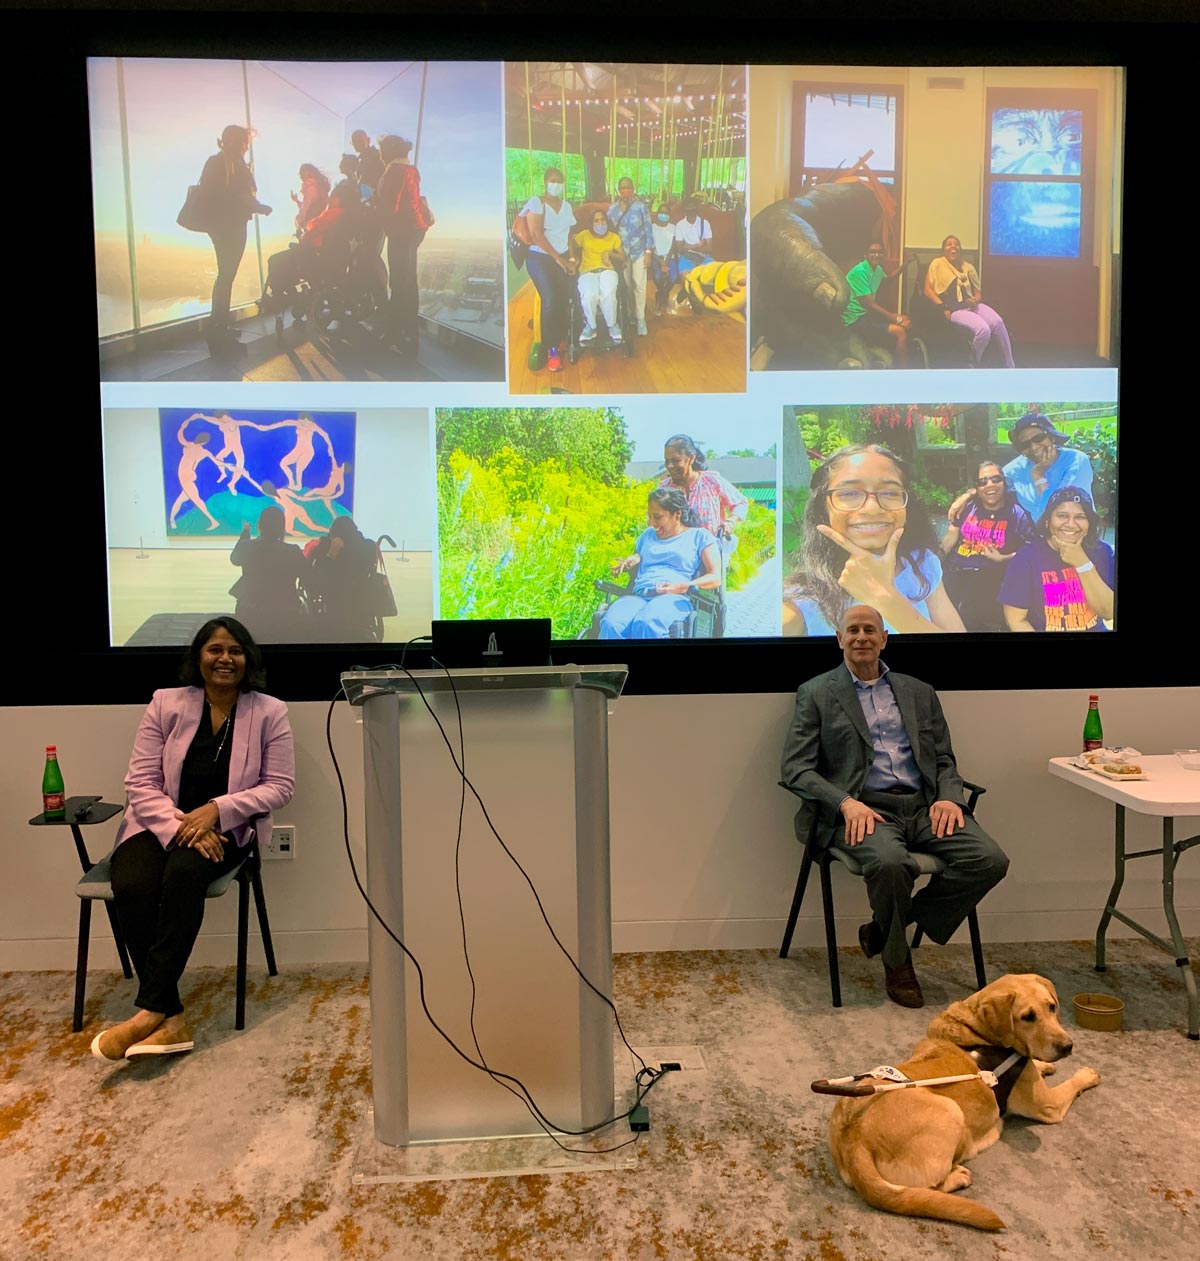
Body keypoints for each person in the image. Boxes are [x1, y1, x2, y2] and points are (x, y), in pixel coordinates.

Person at [780, 603, 1009, 1007]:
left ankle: (889, 927)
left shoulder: (918, 692)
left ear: (885, 638)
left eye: (870, 630)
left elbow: (943, 760)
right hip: (865, 811)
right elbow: (796, 769)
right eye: (852, 630)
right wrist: (845, 802)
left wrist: (949, 797)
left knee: (990, 860)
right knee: (890, 864)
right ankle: (897, 961)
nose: (861, 637)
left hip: (923, 807)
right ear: (839, 639)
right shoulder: (816, 693)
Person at [92, 618, 294, 1060]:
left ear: (248, 659)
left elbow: (279, 786)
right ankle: (170, 1016)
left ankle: (149, 1012)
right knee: (131, 884)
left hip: (226, 832)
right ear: (198, 656)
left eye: (235, 650)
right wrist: (180, 825)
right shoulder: (166, 704)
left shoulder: (269, 711)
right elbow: (140, 782)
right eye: (215, 649)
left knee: (184, 876)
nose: (225, 659)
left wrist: (218, 811)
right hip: (157, 822)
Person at [782, 444, 966, 636]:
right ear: (823, 507)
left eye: (889, 492)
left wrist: (885, 599)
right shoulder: (797, 604)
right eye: (849, 493)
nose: (872, 508)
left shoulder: (921, 563)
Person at [599, 488, 719, 639]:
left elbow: (715, 577)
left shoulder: (699, 536)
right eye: (649, 516)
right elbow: (640, 554)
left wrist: (683, 586)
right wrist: (633, 559)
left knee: (647, 623)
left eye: (657, 517)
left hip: (674, 598)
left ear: (677, 514)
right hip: (639, 595)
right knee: (611, 624)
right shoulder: (647, 535)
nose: (651, 523)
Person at [198, 124, 272, 357]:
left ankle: (218, 327)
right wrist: (259, 207)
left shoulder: (220, 162)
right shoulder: (226, 163)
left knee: (225, 277)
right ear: (232, 140)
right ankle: (219, 332)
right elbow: (238, 195)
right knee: (226, 277)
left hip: (224, 226)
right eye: (244, 142)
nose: (245, 147)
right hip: (230, 227)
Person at [999, 486, 1114, 632]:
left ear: (1089, 523)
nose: (1071, 524)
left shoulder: (1102, 551)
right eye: (1062, 516)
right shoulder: (1025, 559)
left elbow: (1108, 612)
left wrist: (1082, 562)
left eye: (1080, 517)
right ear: (1047, 521)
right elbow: (1016, 620)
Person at [940, 461, 1037, 630]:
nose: (989, 485)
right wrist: (932, 561)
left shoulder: (1015, 514)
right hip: (956, 570)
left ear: (1004, 483)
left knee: (969, 612)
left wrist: (1003, 558)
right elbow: (950, 539)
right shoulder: (967, 507)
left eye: (995, 479)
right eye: (982, 482)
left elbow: (1032, 550)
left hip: (989, 575)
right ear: (976, 488)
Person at [377, 134, 432, 358]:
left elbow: (390, 207)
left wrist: (374, 213)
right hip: (414, 229)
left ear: (388, 152)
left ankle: (395, 334)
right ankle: (409, 334)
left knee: (399, 283)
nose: (379, 154)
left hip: (402, 231)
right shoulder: (410, 170)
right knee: (408, 282)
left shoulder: (394, 172)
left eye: (381, 150)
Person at [259, 183, 353, 312]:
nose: (330, 199)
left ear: (341, 200)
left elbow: (320, 228)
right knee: (279, 261)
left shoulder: (334, 214)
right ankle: (289, 297)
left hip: (313, 255)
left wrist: (304, 237)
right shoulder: (340, 215)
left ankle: (283, 298)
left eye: (334, 197)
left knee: (275, 261)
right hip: (316, 253)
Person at [923, 235, 1015, 368]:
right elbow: (927, 290)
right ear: (943, 249)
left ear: (960, 249)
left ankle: (1010, 365)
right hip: (955, 309)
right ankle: (971, 364)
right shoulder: (937, 263)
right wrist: (942, 307)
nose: (953, 246)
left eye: (956, 244)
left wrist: (974, 300)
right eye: (949, 244)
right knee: (983, 330)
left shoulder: (968, 267)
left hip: (972, 306)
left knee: (998, 322)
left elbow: (978, 294)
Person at [521, 167, 577, 373]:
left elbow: (570, 235)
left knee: (566, 298)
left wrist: (570, 257)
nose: (556, 184)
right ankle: (551, 349)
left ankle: (562, 337)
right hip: (540, 258)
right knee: (551, 300)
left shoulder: (567, 206)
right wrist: (559, 260)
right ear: (545, 182)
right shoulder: (537, 202)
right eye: (553, 180)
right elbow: (536, 235)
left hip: (562, 256)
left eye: (559, 181)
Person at [229, 505, 307, 641]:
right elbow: (307, 577)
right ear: (282, 527)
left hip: (250, 612)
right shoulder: (293, 551)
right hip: (286, 613)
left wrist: (245, 533)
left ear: (260, 526)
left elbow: (235, 559)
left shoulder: (247, 547)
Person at [657, 433, 747, 550]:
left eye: (676, 460)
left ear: (691, 458)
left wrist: (731, 521)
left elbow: (740, 503)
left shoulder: (711, 481)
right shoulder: (664, 489)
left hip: (712, 555)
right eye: (667, 461)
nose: (670, 465)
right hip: (677, 558)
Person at [1000, 411, 1094, 520]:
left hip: (1075, 532)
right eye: (1025, 444)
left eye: (1038, 438)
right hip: (1035, 535)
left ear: (1052, 437)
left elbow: (1061, 513)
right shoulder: (1014, 470)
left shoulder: (1075, 460)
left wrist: (1039, 475)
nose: (1033, 447)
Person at [306, 515, 379, 640]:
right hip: (361, 603)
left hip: (334, 604)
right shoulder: (367, 547)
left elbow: (319, 577)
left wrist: (331, 554)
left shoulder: (325, 546)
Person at [843, 242, 910, 367]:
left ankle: (891, 359)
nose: (876, 255)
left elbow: (887, 280)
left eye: (880, 252)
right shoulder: (860, 272)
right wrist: (894, 317)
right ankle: (903, 372)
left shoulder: (877, 269)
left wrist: (903, 266)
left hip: (866, 315)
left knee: (906, 319)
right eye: (872, 252)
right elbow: (870, 304)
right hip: (854, 321)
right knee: (900, 332)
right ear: (865, 254)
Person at [608, 177, 653, 336]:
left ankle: (641, 319)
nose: (625, 190)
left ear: (633, 189)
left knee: (639, 285)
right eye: (622, 187)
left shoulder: (641, 207)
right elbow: (610, 233)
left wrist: (648, 252)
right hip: (623, 254)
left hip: (639, 251)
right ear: (618, 190)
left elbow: (648, 229)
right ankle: (629, 315)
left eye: (628, 187)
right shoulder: (612, 210)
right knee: (626, 286)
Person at [573, 209, 626, 344]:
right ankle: (591, 326)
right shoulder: (584, 235)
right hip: (587, 271)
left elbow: (623, 257)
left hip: (607, 270)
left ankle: (612, 325)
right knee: (590, 294)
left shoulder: (613, 237)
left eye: (602, 220)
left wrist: (610, 253)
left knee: (608, 292)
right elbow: (571, 244)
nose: (600, 223)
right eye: (596, 221)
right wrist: (573, 259)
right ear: (591, 223)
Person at [650, 203, 677, 314]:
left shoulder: (673, 228)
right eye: (661, 212)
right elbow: (650, 248)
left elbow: (673, 246)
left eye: (666, 213)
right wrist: (660, 261)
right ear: (657, 214)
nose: (663, 215)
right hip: (656, 258)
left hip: (669, 258)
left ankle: (662, 295)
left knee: (674, 277)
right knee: (657, 277)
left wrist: (666, 261)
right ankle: (662, 296)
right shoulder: (652, 228)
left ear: (669, 215)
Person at [673, 198, 713, 274]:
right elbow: (680, 249)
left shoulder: (705, 223)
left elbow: (709, 249)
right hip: (686, 257)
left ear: (697, 209)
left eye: (693, 208)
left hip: (704, 257)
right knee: (685, 278)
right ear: (684, 210)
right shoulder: (680, 225)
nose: (691, 210)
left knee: (712, 275)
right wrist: (698, 245)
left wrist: (688, 247)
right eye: (688, 208)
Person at [291, 163, 330, 235]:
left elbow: (306, 207)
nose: (300, 176)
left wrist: (300, 219)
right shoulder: (319, 185)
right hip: (320, 220)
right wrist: (296, 201)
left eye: (302, 173)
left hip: (312, 222)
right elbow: (310, 205)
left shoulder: (311, 188)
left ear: (309, 173)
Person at [350, 129, 384, 199]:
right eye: (354, 142)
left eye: (360, 141)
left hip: (375, 198)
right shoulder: (362, 159)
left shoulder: (376, 156)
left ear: (368, 140)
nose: (357, 144)